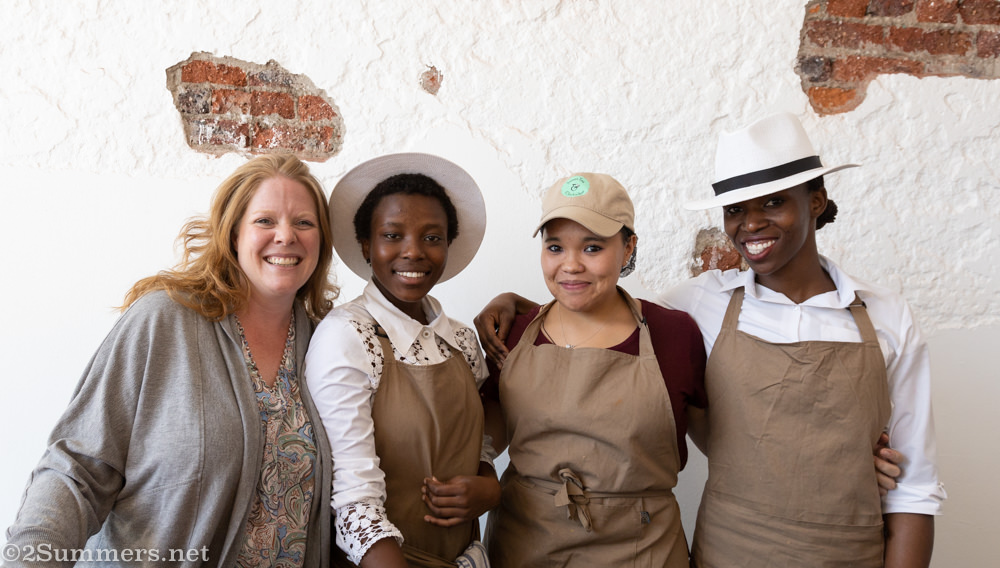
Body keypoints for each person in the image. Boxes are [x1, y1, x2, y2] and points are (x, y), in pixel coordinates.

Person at [476, 113, 944, 567]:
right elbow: (596, 307)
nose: (751, 223)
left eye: (773, 202)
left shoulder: (886, 316)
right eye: (736, 209)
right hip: (729, 547)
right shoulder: (702, 303)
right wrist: (515, 304)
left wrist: (846, 461)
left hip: (845, 548)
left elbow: (915, 487)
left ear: (816, 200)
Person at [4, 154, 339, 567]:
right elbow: (78, 468)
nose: (286, 236)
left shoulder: (329, 346)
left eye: (304, 222)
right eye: (265, 221)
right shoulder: (163, 320)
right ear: (234, 234)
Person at [481, 173, 707, 567]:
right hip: (525, 544)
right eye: (555, 247)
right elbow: (489, 435)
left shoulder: (674, 334)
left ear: (628, 247)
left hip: (642, 548)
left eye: (592, 247)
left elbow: (716, 441)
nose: (570, 265)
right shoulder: (512, 334)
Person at [304, 153, 498, 568]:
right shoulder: (347, 336)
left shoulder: (461, 340)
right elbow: (352, 495)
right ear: (366, 245)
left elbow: (475, 435)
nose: (413, 251)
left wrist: (487, 481)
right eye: (392, 235)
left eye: (432, 238)